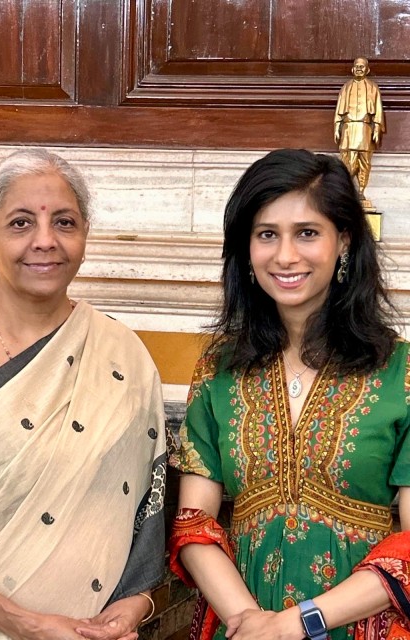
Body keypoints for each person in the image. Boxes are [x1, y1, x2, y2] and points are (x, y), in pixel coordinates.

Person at [168, 149, 410, 640]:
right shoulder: (219, 369)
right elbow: (194, 526)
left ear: (343, 240)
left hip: (361, 626)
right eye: (266, 235)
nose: (285, 256)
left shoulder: (403, 374)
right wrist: (251, 623)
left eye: (306, 233)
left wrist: (299, 624)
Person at [0, 148, 167, 639]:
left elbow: (148, 505)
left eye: (64, 222)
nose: (45, 241)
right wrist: (21, 622)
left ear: (83, 237)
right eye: (20, 223)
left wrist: (134, 604)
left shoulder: (121, 353)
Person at [334, 57, 385, 202]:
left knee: (364, 162)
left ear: (367, 69)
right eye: (356, 66)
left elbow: (378, 111)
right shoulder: (346, 87)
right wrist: (337, 126)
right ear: (352, 68)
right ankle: (347, 189)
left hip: (364, 128)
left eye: (362, 66)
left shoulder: (372, 88)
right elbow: (339, 111)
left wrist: (376, 129)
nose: (359, 69)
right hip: (349, 128)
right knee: (347, 161)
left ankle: (361, 190)